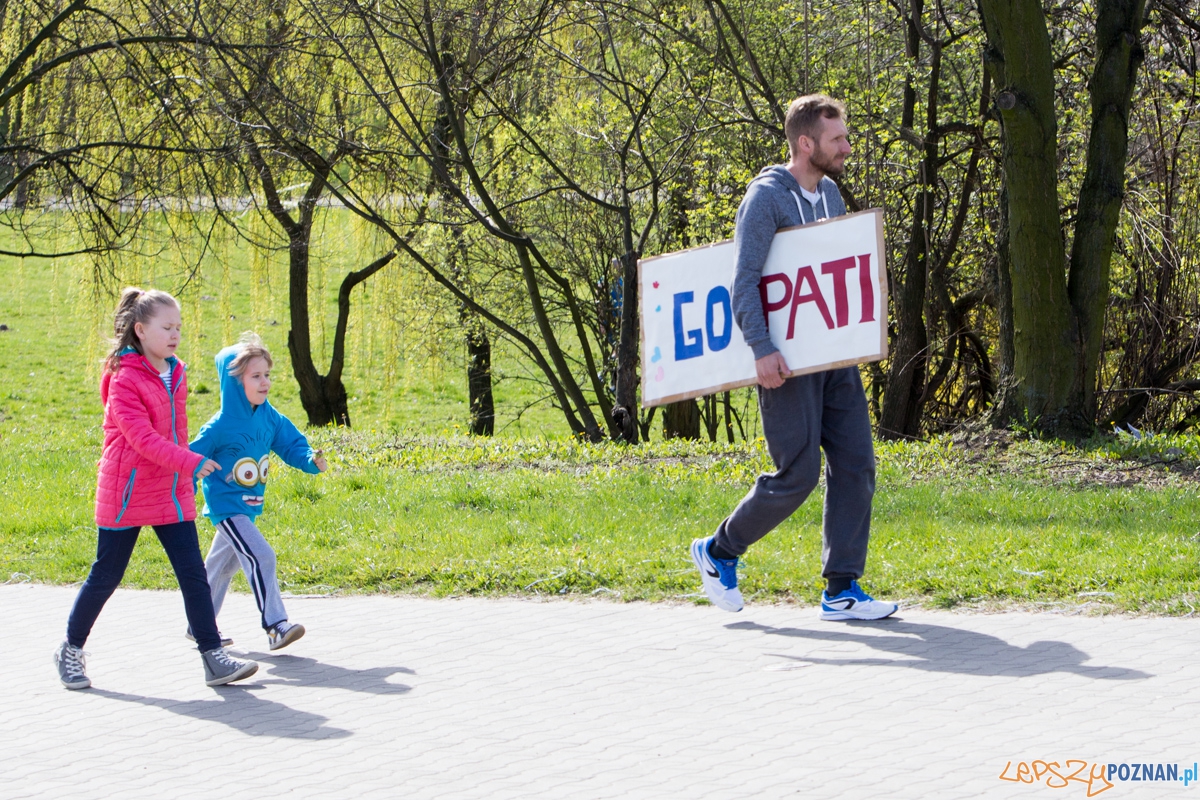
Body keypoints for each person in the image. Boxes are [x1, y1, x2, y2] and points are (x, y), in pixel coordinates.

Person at [689, 94, 897, 621]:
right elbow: (744, 281)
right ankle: (718, 551)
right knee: (798, 475)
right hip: (783, 363)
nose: (847, 147)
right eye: (837, 139)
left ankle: (842, 589)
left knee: (856, 464)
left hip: (834, 360)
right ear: (806, 144)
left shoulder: (829, 193)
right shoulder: (766, 200)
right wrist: (761, 349)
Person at [54, 288, 259, 689]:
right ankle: (70, 650)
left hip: (170, 489)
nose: (175, 334)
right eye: (166, 327)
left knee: (192, 575)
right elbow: (142, 439)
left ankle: (212, 655)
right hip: (127, 492)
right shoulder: (123, 379)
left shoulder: (175, 371)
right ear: (141, 329)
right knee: (106, 576)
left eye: (178, 327)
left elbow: (176, 434)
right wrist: (192, 463)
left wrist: (197, 462)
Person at [190, 332, 327, 652]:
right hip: (227, 506)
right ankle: (276, 625)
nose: (264, 382)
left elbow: (291, 444)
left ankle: (198, 624)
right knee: (261, 555)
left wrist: (310, 460)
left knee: (221, 568)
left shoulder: (269, 416)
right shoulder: (219, 426)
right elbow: (189, 456)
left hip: (249, 505)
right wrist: (198, 466)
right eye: (256, 376)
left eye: (267, 375)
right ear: (235, 382)